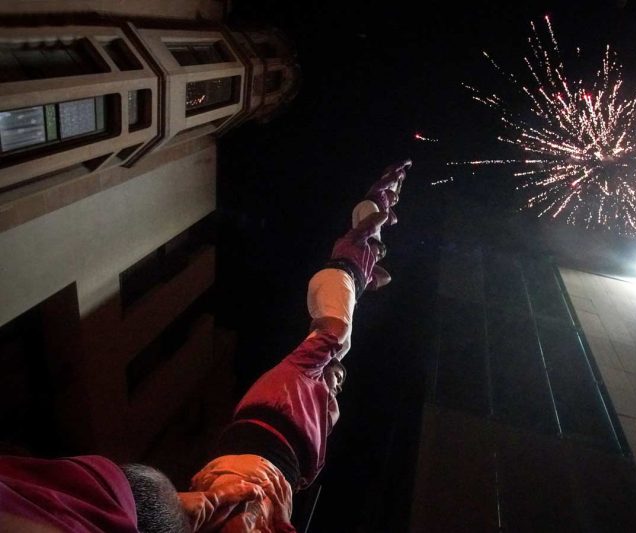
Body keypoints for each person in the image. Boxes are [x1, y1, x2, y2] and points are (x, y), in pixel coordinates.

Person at [0, 160, 410, 533]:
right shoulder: (305, 372)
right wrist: (376, 215)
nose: (337, 386)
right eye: (337, 379)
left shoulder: (311, 393)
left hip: (261, 476)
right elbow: (335, 331)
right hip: (256, 470)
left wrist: (374, 233)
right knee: (338, 332)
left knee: (338, 333)